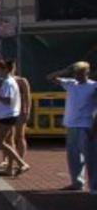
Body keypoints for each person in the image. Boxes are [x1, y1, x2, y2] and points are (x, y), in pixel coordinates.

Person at [47, 61, 97, 193]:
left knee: (90, 157)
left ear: (87, 73)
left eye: (80, 73)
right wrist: (65, 70)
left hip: (86, 126)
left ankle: (94, 186)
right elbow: (50, 77)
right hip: (71, 125)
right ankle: (77, 183)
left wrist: (94, 128)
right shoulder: (70, 83)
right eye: (75, 73)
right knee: (73, 156)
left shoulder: (94, 86)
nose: (77, 76)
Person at [0, 59, 29, 176]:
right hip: (8, 114)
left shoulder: (8, 82)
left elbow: (8, 100)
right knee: (9, 141)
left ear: (5, 69)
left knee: (0, 142)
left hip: (7, 115)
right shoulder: (7, 81)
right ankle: (10, 168)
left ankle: (21, 163)